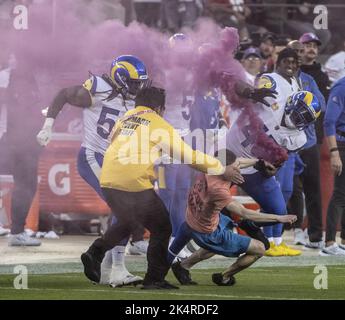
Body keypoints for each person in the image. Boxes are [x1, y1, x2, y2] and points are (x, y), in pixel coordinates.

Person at [80, 86, 244, 289]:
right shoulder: (159, 124)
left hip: (108, 178)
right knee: (162, 227)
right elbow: (188, 156)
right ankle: (154, 279)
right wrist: (220, 168)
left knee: (128, 222)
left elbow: (117, 143)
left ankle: (94, 252)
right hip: (133, 182)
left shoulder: (125, 119)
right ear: (159, 108)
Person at [37, 55, 150, 287]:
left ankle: (109, 264)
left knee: (129, 208)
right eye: (133, 82)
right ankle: (116, 267)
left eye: (140, 82)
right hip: (93, 157)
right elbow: (64, 94)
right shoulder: (99, 88)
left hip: (116, 161)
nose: (137, 87)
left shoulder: (133, 101)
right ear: (119, 77)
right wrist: (48, 125)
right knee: (125, 206)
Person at [226, 49, 321, 256]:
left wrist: (272, 166)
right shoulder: (271, 87)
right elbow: (238, 87)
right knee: (208, 203)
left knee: (279, 207)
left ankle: (270, 242)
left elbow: (273, 165)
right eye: (287, 60)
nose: (299, 118)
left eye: (305, 117)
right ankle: (181, 244)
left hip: (254, 166)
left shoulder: (299, 137)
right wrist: (253, 92)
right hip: (229, 155)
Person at [168, 149, 297, 286]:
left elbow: (239, 161)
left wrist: (259, 163)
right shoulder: (218, 190)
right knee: (260, 248)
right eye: (234, 168)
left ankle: (183, 266)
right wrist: (279, 218)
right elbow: (245, 213)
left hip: (194, 217)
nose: (238, 169)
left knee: (224, 233)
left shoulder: (208, 167)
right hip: (206, 232)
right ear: (224, 168)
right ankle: (224, 277)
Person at [286, 40, 325, 248]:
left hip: (309, 143)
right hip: (288, 144)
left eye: (301, 52)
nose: (299, 55)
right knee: (291, 189)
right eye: (295, 52)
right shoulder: (279, 79)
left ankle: (316, 235)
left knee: (313, 189)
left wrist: (308, 108)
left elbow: (322, 105)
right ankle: (296, 230)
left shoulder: (309, 79)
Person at [0, 54, 42, 247]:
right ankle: (16, 230)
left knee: (27, 184)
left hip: (26, 139)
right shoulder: (6, 77)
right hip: (8, 136)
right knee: (23, 183)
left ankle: (17, 229)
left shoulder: (32, 78)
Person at [321, 76, 345, 256]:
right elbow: (329, 121)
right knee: (340, 194)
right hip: (342, 144)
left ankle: (343, 241)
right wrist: (334, 152)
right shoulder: (341, 86)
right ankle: (329, 242)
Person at [299, 32, 330, 145]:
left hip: (315, 131)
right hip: (293, 130)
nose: (312, 49)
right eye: (308, 46)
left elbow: (324, 106)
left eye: (315, 46)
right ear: (300, 48)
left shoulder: (323, 76)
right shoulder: (293, 71)